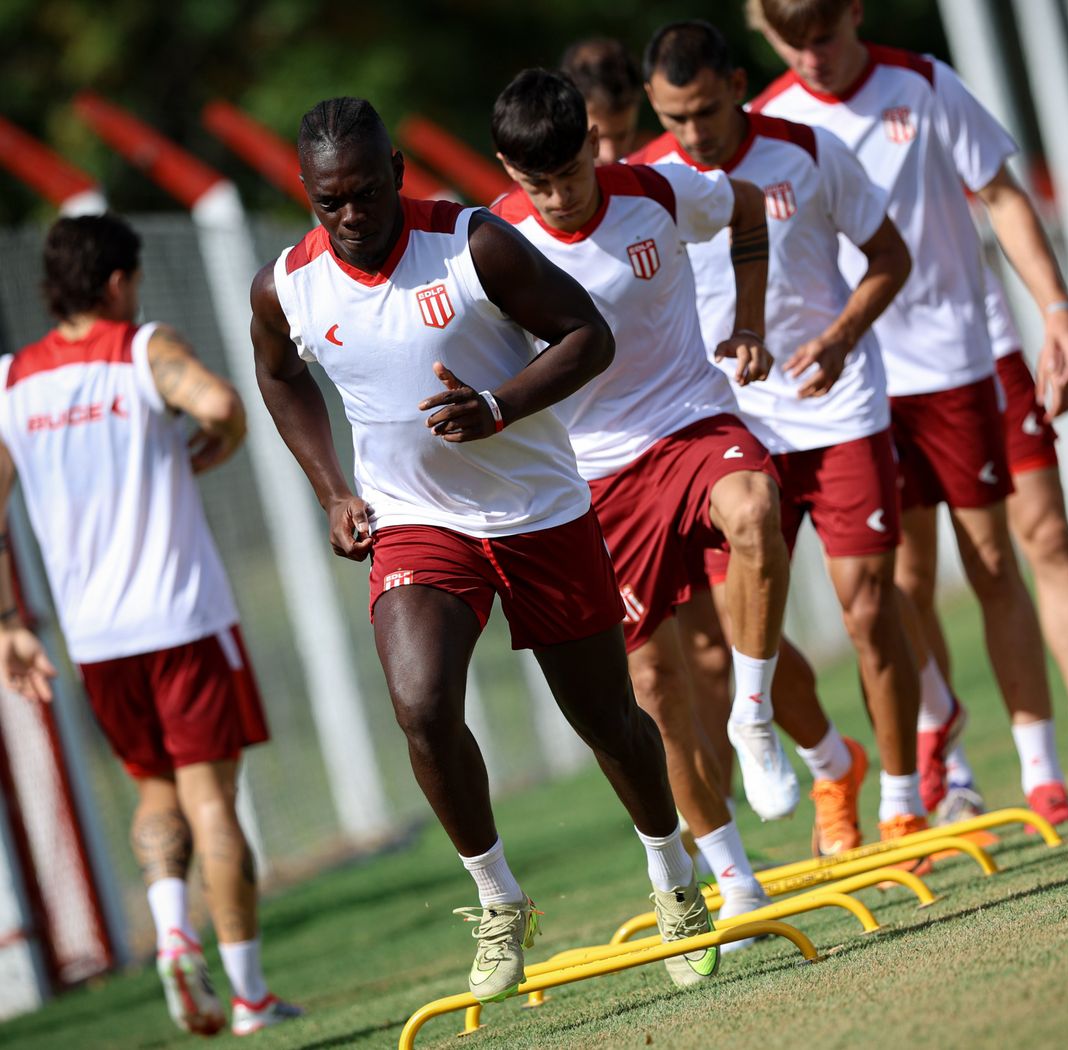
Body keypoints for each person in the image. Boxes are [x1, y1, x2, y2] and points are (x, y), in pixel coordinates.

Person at [251, 97, 715, 996]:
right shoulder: (287, 285)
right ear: (306, 195)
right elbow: (278, 373)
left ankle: (673, 875)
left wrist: (499, 406)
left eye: (363, 193)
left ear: (395, 172)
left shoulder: (473, 244)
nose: (350, 216)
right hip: (417, 520)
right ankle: (500, 901)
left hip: (539, 510)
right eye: (327, 201)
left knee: (605, 721)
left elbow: (591, 333)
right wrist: (333, 491)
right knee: (421, 706)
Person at [748, 0, 1068, 825]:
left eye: (824, 36)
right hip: (857, 391)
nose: (812, 58)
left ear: (854, 13)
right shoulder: (766, 124)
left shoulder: (923, 83)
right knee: (901, 584)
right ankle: (947, 756)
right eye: (789, 43)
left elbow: (1003, 195)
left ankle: (1046, 767)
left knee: (997, 558)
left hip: (957, 361)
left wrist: (1055, 307)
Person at [490, 68, 795, 938]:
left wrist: (751, 318)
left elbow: (743, 204)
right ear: (511, 172)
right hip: (589, 478)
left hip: (689, 420)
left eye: (569, 173)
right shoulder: (496, 245)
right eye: (535, 182)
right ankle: (733, 874)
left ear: (594, 141)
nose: (556, 196)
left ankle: (755, 712)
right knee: (652, 688)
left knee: (755, 513)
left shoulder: (656, 190)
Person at [636, 20, 949, 863]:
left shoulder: (806, 153)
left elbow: (888, 255)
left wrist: (843, 337)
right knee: (745, 637)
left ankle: (903, 803)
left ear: (738, 83)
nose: (695, 133)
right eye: (675, 117)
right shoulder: (651, 187)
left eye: (706, 109)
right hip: (733, 430)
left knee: (869, 608)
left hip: (838, 407)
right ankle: (828, 766)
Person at [0, 214, 300, 1037]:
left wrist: (8, 625)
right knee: (214, 803)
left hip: (94, 639)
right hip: (181, 618)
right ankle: (248, 996)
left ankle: (170, 928)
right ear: (120, 282)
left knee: (153, 793)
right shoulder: (140, 350)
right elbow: (222, 403)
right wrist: (216, 444)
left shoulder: (12, 381)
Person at [927, 270, 1068, 823]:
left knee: (1049, 537)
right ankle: (952, 779)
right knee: (919, 580)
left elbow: (1004, 198)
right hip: (880, 376)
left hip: (983, 348)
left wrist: (1057, 309)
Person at [561, 36, 646, 164]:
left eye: (622, 136)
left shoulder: (657, 171)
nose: (610, 155)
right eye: (595, 138)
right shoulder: (529, 179)